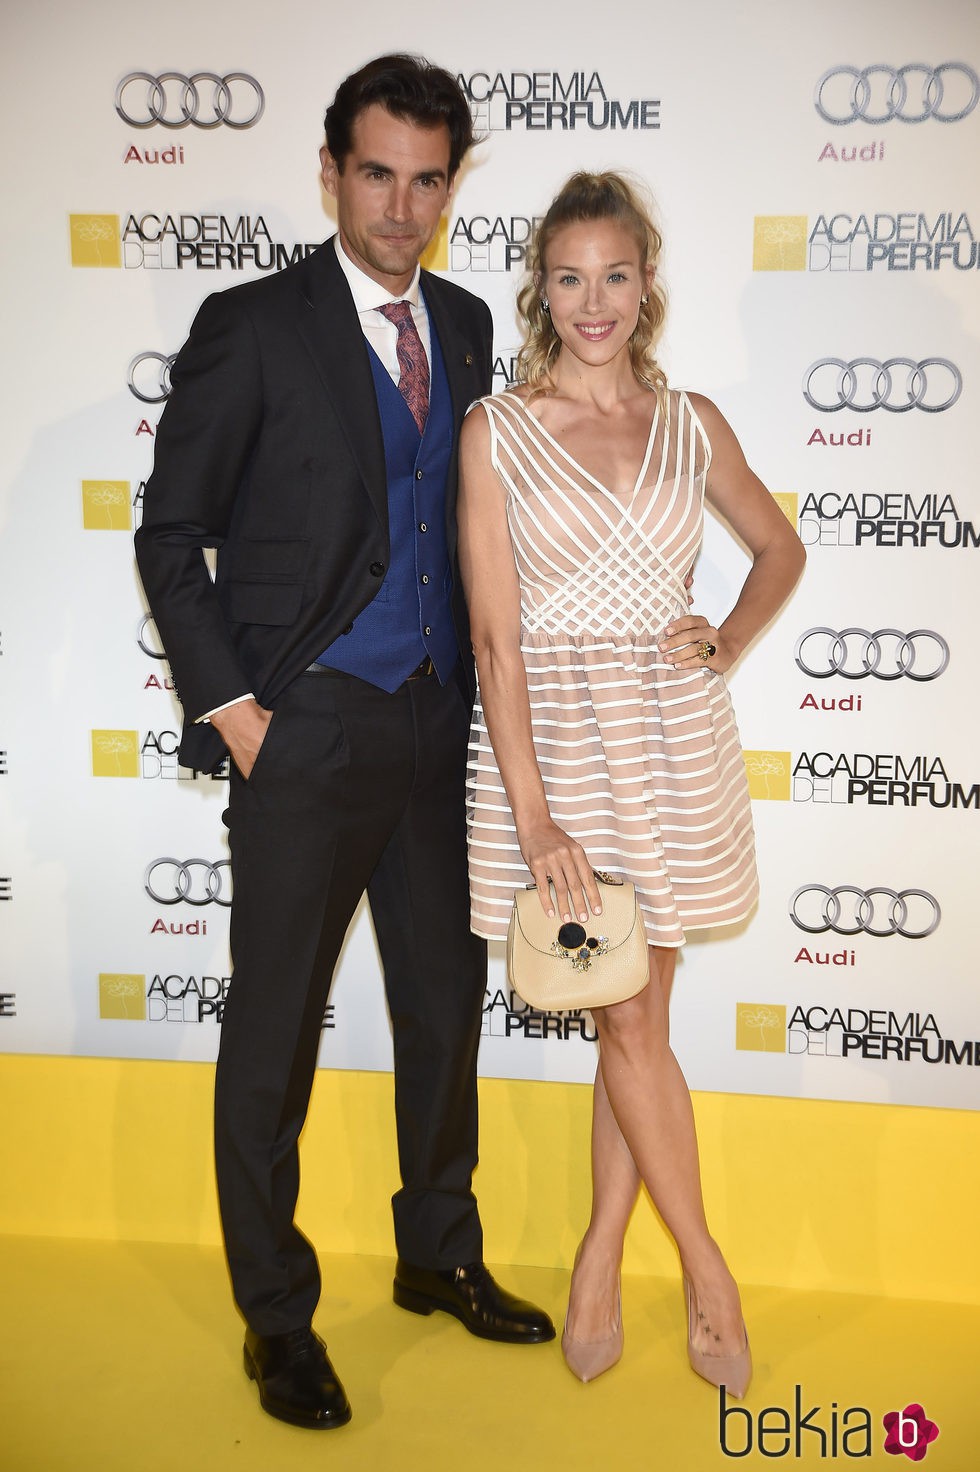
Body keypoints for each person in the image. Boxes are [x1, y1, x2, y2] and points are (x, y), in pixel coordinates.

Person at [134, 54, 554, 1433]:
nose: (401, 206)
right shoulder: (251, 325)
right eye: (377, 173)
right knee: (273, 1038)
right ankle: (278, 1319)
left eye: (428, 178)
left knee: (443, 1016)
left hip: (441, 730)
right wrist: (239, 710)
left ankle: (438, 1253)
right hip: (302, 736)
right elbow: (168, 534)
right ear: (331, 172)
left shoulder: (476, 322)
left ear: (452, 182)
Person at [458, 172, 805, 1393]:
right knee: (630, 1018)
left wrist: (723, 633)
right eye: (568, 276)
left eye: (614, 274)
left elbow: (778, 546)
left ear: (645, 280)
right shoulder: (495, 431)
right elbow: (495, 643)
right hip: (552, 752)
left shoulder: (690, 421)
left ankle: (600, 1250)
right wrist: (534, 810)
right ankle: (705, 1269)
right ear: (539, 287)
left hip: (668, 744)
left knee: (631, 1017)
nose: (592, 300)